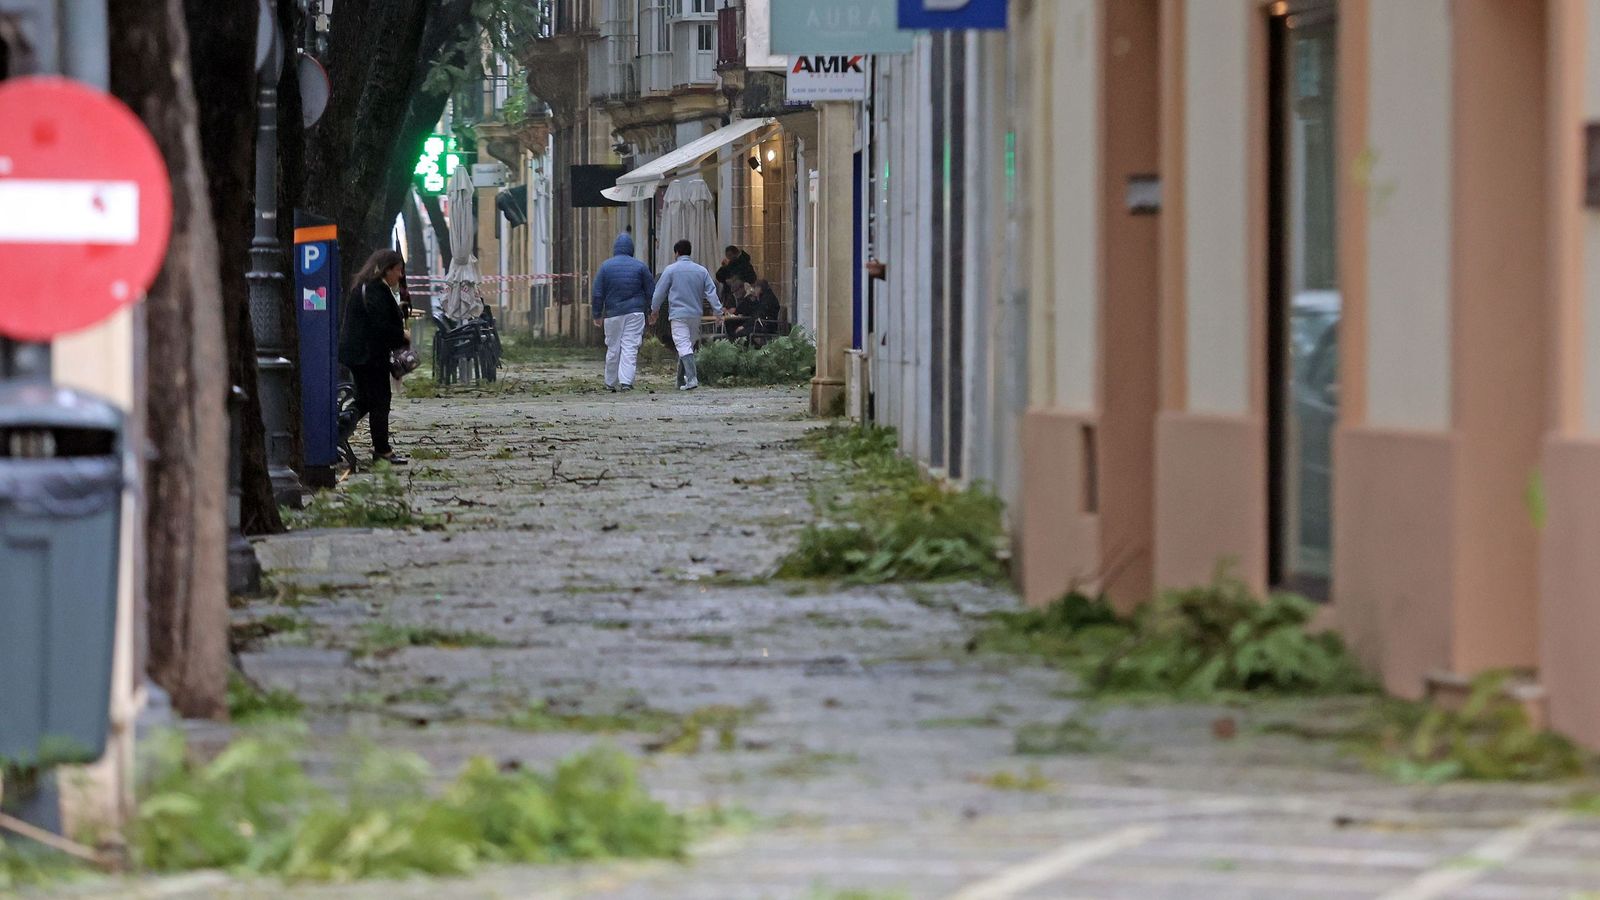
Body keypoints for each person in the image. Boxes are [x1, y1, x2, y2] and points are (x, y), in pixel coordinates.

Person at [338, 249, 411, 465]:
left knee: (366, 400)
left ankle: (337, 433)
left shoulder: (366, 287)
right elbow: (381, 326)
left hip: (363, 355)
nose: (400, 276)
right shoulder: (375, 290)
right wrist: (402, 334)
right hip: (368, 357)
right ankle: (382, 450)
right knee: (379, 401)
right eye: (398, 270)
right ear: (386, 269)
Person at [651, 239, 724, 391]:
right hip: (695, 314)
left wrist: (654, 310)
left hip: (678, 314)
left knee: (683, 346)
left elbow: (659, 292)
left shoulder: (670, 270)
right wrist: (718, 311)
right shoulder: (701, 270)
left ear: (676, 253)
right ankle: (679, 380)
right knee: (687, 346)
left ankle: (691, 379)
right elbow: (711, 292)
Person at [591, 232, 656, 392]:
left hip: (613, 313)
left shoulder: (605, 267)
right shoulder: (640, 266)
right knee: (630, 346)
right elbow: (650, 291)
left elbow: (597, 293)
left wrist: (597, 314)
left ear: (615, 249)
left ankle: (610, 381)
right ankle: (626, 381)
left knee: (613, 347)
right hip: (635, 312)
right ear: (631, 249)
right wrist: (652, 311)